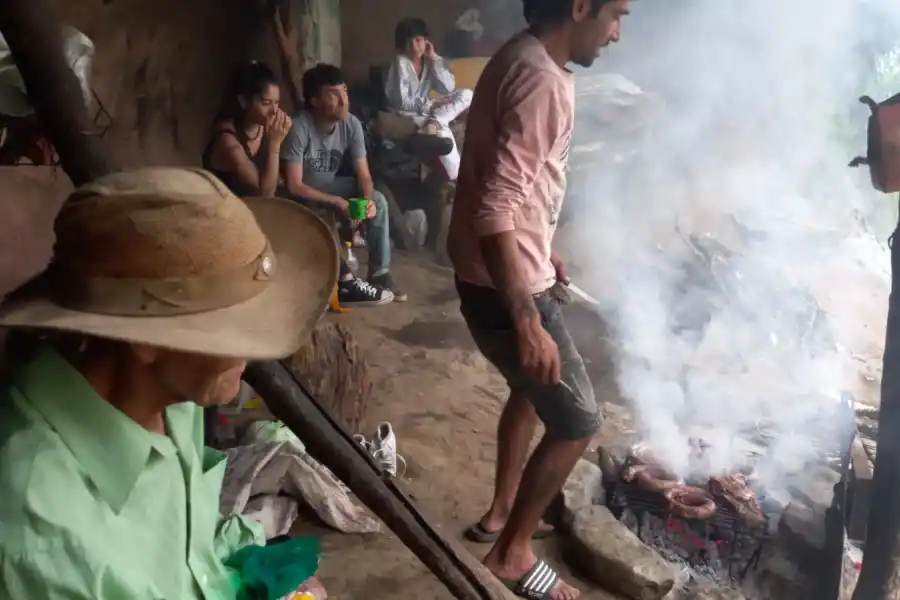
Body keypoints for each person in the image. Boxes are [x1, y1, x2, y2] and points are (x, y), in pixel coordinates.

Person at [0, 167, 338, 599]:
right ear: (146, 340)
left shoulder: (173, 402)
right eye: (237, 326)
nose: (252, 353)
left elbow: (192, 556)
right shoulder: (38, 537)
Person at [447, 0, 631, 598]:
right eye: (616, 16)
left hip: (497, 271)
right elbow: (495, 205)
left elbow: (508, 185)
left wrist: (540, 245)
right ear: (581, 7)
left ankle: (503, 511)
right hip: (506, 290)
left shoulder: (519, 54)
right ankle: (513, 553)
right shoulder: (544, 82)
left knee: (531, 394)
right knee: (578, 421)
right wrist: (527, 320)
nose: (617, 34)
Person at [282, 63, 406, 303]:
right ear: (315, 101)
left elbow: (364, 175)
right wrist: (337, 202)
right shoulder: (300, 127)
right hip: (301, 195)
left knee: (378, 201)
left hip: (330, 187)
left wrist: (366, 202)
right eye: (333, 94)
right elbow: (293, 185)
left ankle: (379, 274)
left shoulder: (352, 124)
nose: (343, 100)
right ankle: (345, 280)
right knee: (318, 205)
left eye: (345, 92)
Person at [384, 17, 474, 181]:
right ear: (402, 45)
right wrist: (431, 104)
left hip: (427, 111)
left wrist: (434, 58)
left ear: (426, 41)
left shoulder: (429, 61)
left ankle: (436, 121)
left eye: (418, 41)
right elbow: (402, 102)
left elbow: (448, 88)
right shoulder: (400, 63)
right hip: (406, 113)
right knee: (442, 131)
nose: (414, 46)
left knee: (467, 94)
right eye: (408, 42)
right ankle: (457, 177)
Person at [202, 61, 292, 198]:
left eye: (276, 102)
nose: (274, 111)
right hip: (226, 213)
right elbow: (265, 195)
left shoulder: (265, 128)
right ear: (243, 101)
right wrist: (274, 145)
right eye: (266, 103)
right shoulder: (227, 141)